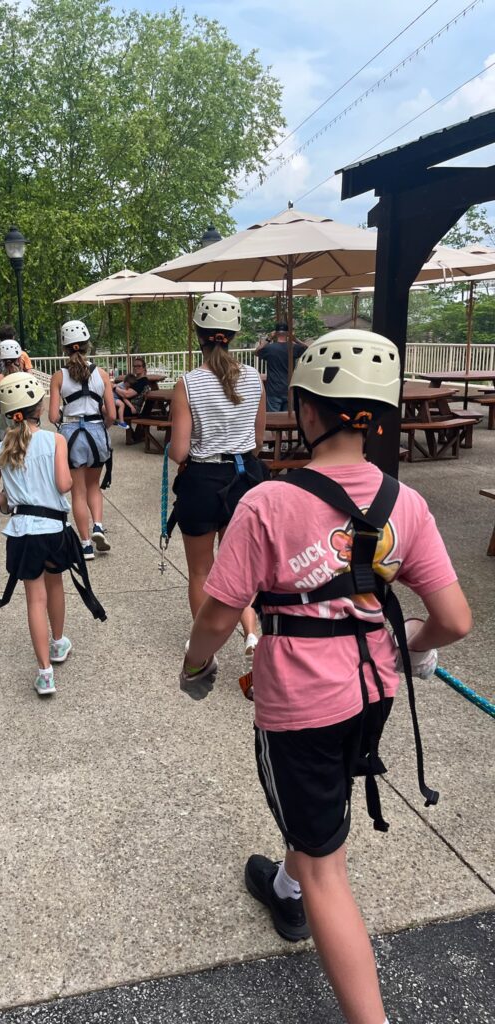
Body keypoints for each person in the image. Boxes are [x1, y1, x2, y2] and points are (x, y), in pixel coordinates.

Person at [179, 329, 472, 1024]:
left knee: (326, 872)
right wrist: (409, 645)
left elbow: (218, 614)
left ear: (307, 410)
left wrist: (195, 667)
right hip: (372, 692)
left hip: (301, 701)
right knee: (323, 802)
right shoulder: (405, 502)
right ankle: (285, 884)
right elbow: (454, 619)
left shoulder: (268, 504)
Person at [0, 372, 106, 695]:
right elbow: (65, 484)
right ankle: (58, 643)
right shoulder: (55, 441)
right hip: (53, 529)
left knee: (34, 600)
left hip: (22, 532)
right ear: (39, 408)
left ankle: (45, 673)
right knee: (56, 587)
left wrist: (12, 499)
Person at [168, 292, 266, 655]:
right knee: (239, 565)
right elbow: (258, 441)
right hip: (245, 477)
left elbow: (179, 451)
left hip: (203, 480)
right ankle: (251, 632)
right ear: (234, 334)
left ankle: (203, 646)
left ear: (198, 333)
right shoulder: (254, 379)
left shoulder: (188, 383)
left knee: (201, 570)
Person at [49, 320, 116, 561]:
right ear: (88, 345)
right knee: (93, 486)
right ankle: (98, 525)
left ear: (64, 348)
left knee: (78, 492)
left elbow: (53, 416)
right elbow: (112, 414)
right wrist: (101, 428)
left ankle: (86, 545)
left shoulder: (59, 376)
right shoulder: (102, 374)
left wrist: (66, 420)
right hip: (97, 431)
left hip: (71, 434)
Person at [255, 321, 307, 412]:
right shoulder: (293, 348)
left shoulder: (269, 348)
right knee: (287, 417)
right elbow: (308, 349)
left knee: (273, 417)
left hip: (273, 390)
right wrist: (295, 339)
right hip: (289, 389)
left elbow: (256, 351)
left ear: (275, 333)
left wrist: (268, 338)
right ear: (287, 333)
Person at [0, 340, 28, 440]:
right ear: (19, 358)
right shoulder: (27, 378)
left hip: (5, 424)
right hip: (26, 423)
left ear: (1, 359)